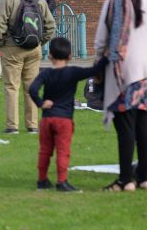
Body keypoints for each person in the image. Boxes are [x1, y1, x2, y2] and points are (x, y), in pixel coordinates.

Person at [95, 0, 147, 192]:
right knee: (144, 124)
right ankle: (144, 177)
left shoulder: (112, 3)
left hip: (126, 70)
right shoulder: (145, 1)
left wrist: (100, 63)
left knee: (125, 126)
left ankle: (126, 180)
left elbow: (101, 41)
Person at [28, 38, 108, 192]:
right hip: (64, 120)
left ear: (50, 56)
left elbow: (32, 89)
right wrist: (105, 55)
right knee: (63, 150)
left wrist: (40, 103)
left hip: (47, 119)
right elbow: (94, 70)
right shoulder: (73, 72)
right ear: (70, 56)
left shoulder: (45, 73)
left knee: (45, 150)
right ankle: (62, 181)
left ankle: (42, 180)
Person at [0, 0, 55, 134]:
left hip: (12, 48)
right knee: (31, 87)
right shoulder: (40, 0)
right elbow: (50, 26)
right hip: (33, 48)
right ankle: (32, 125)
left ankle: (12, 126)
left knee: (12, 87)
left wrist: (1, 42)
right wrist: (40, 42)